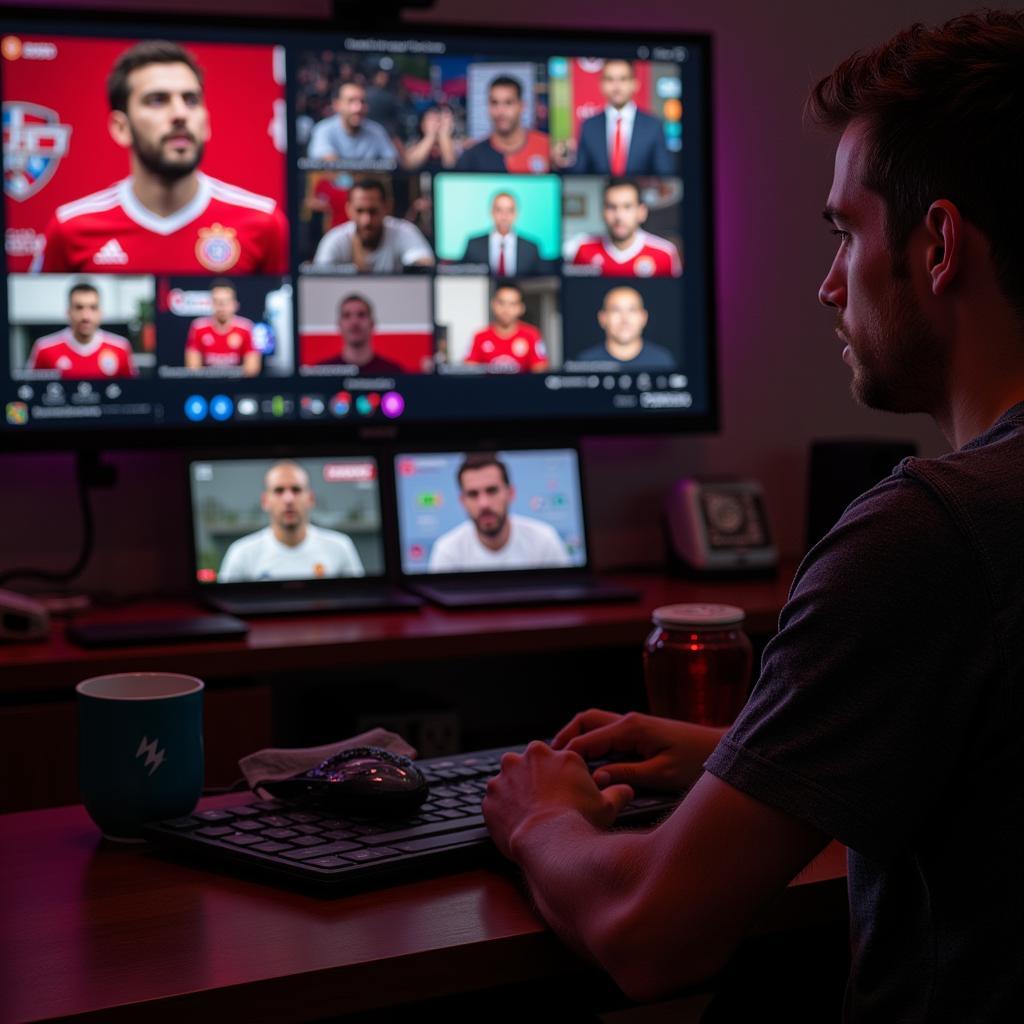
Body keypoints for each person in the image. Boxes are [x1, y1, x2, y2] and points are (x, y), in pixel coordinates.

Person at [484, 12, 1024, 1019]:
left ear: (939, 243)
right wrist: (761, 755)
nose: (828, 286)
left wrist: (537, 817)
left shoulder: (927, 538)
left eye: (845, 232)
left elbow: (648, 933)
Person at [34, 40, 287, 274]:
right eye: (157, 101)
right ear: (121, 128)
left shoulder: (263, 222)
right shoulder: (70, 229)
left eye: (191, 100)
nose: (180, 114)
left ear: (206, 123)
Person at [218, 461, 364, 582]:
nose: (288, 499)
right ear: (265, 501)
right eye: (279, 491)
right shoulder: (241, 554)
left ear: (310, 499)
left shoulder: (340, 547)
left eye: (296, 490)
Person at [428, 453, 570, 571]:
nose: (484, 504)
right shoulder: (447, 552)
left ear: (510, 493)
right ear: (462, 501)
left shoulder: (544, 540)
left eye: (492, 491)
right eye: (473, 494)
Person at [560, 59, 673, 176]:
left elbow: (665, 173)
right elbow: (579, 174)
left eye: (623, 79)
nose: (616, 86)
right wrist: (563, 164)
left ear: (634, 84)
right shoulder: (589, 126)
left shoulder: (653, 126)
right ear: (601, 85)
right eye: (610, 79)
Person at [312, 178, 433, 272]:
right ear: (348, 209)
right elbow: (318, 281)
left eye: (373, 211)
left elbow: (424, 264)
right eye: (360, 211)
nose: (366, 220)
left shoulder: (404, 231)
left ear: (387, 207)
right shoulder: (335, 239)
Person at [565, 179, 681, 277]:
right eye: (611, 207)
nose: (619, 216)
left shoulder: (665, 253)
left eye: (627, 207)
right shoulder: (583, 249)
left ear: (642, 212)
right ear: (602, 212)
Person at [25, 282, 137, 378]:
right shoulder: (44, 348)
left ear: (100, 312)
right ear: (68, 311)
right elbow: (27, 391)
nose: (86, 317)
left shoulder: (121, 348)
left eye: (93, 308)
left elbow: (132, 396)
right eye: (79, 308)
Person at [455, 76, 549, 174]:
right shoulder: (471, 157)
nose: (500, 111)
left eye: (508, 103)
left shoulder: (547, 148)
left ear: (521, 106)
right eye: (494, 103)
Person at [571, 286, 674, 368]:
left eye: (632, 310)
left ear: (643, 318)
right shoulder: (584, 363)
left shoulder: (663, 361)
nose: (625, 319)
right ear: (602, 318)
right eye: (616, 310)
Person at [306, 81, 398, 164]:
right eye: (351, 101)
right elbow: (329, 164)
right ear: (337, 105)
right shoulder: (323, 130)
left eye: (362, 101)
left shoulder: (376, 131)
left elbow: (392, 162)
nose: (358, 108)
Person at [464, 283, 548, 373]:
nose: (506, 309)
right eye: (501, 303)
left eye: (512, 304)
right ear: (493, 304)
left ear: (521, 308)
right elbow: (469, 369)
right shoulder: (479, 336)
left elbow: (540, 368)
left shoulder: (532, 335)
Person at [460, 192, 548, 276]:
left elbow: (538, 281)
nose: (504, 216)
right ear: (491, 212)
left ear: (516, 214)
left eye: (509, 210)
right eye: (499, 210)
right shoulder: (474, 245)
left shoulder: (531, 248)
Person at [184, 280, 261, 375]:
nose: (222, 307)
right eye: (217, 302)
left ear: (235, 304)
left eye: (226, 302)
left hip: (237, 385)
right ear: (210, 304)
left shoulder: (246, 327)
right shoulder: (198, 327)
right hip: (207, 386)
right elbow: (192, 367)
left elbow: (252, 369)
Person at [315, 293, 404, 375]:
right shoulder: (321, 372)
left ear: (372, 323)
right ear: (339, 325)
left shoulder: (394, 372)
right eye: (347, 315)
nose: (354, 322)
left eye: (361, 315)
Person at [402, 106, 457, 172]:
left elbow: (451, 165)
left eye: (438, 119)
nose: (435, 123)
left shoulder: (454, 144)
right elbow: (409, 165)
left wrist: (443, 134)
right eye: (431, 119)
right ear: (422, 125)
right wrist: (430, 136)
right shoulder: (414, 143)